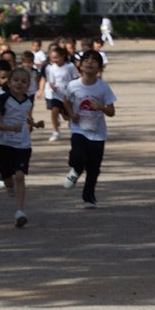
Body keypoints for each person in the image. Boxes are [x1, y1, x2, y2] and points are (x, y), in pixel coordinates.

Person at [61, 50, 116, 208]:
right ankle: (76, 170)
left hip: (98, 133)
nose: (89, 63)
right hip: (79, 130)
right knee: (78, 156)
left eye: (94, 61)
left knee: (94, 167)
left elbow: (112, 112)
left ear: (99, 67)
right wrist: (71, 114)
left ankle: (89, 197)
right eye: (86, 60)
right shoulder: (73, 85)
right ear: (80, 64)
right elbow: (66, 101)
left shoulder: (103, 88)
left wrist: (100, 107)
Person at [0, 66, 38, 228]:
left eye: (24, 81)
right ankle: (8, 184)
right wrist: (11, 128)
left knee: (20, 176)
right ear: (9, 82)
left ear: (28, 85)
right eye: (16, 80)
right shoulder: (2, 100)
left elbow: (25, 118)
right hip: (2, 143)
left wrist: (35, 123)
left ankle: (20, 212)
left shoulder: (29, 101)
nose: (19, 83)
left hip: (22, 144)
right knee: (8, 177)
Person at [42, 44, 77, 142]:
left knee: (67, 116)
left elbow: (75, 78)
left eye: (56, 58)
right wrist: (52, 86)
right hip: (56, 95)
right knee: (54, 111)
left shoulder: (70, 66)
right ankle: (55, 131)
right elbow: (51, 81)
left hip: (68, 95)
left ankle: (74, 129)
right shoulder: (52, 68)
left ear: (62, 57)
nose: (54, 60)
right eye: (52, 58)